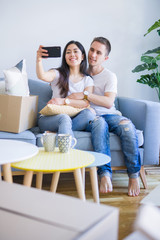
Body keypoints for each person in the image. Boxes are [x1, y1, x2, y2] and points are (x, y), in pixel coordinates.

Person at [68, 37, 141, 197]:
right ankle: (105, 174)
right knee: (99, 123)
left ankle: (134, 175)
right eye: (92, 50)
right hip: (89, 117)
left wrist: (86, 94)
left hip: (110, 114)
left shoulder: (109, 76)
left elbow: (108, 102)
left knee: (127, 126)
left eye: (98, 52)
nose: (93, 55)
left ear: (105, 58)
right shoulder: (80, 72)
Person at [36, 40, 95, 137]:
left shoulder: (87, 80)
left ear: (83, 56)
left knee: (89, 114)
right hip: (50, 119)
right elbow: (42, 76)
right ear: (65, 57)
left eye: (75, 51)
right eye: (68, 52)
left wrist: (64, 101)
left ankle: (60, 131)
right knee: (64, 118)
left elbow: (85, 103)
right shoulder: (57, 74)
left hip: (73, 118)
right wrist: (39, 60)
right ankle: (67, 148)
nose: (72, 54)